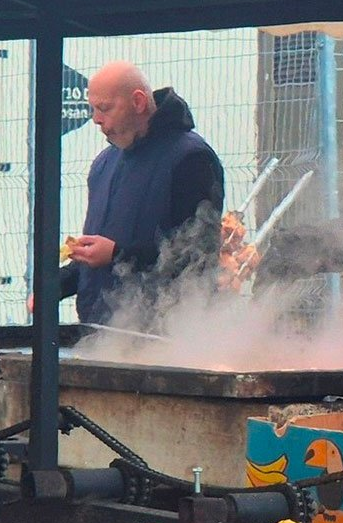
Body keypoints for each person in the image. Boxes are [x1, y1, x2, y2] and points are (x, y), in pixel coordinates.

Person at [60, 61, 224, 325]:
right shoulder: (104, 163)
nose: (96, 119)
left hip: (162, 332)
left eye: (104, 108)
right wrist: (57, 284)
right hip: (99, 330)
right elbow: (99, 255)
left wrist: (117, 254)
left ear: (138, 102)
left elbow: (196, 258)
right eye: (93, 109)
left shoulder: (191, 158)